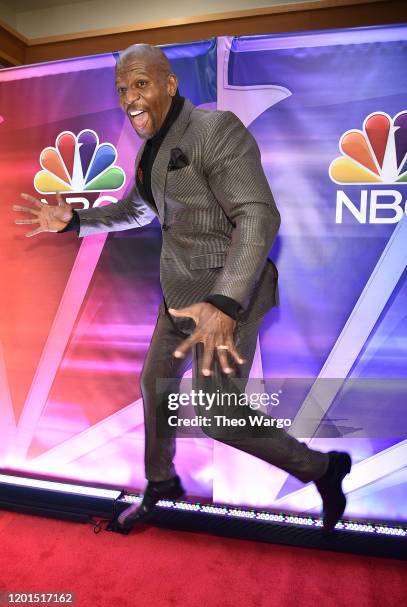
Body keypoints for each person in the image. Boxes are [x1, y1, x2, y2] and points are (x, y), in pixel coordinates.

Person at [13, 43, 351, 532]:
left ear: (170, 84)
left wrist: (226, 301)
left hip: (229, 298)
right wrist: (75, 221)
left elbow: (257, 216)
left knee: (216, 413)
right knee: (155, 384)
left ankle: (322, 469)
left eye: (141, 84)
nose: (129, 97)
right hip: (178, 298)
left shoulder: (216, 132)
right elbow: (137, 209)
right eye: (122, 88)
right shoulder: (151, 150)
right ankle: (162, 481)